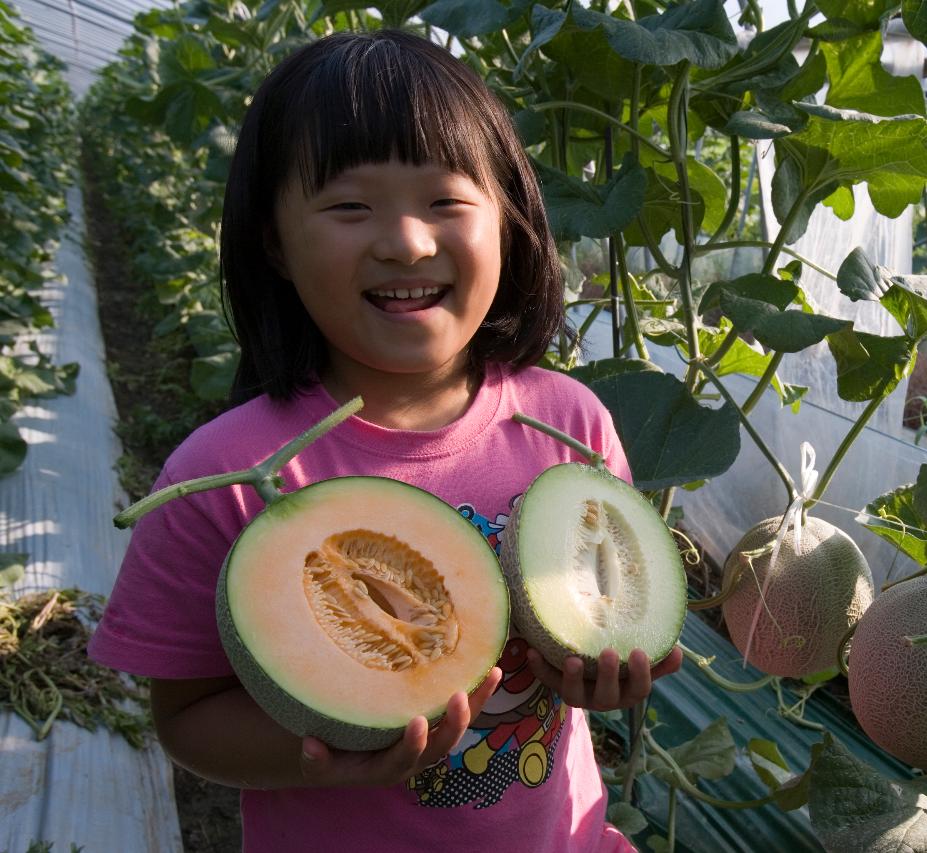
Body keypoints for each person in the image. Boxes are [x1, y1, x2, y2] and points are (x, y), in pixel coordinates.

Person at [88, 29, 680, 853]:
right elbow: (186, 719)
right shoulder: (223, 476)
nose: (406, 241)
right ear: (273, 242)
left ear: (507, 221)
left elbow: (609, 611)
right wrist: (317, 753)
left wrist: (601, 675)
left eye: (444, 200)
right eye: (349, 206)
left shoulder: (568, 424)